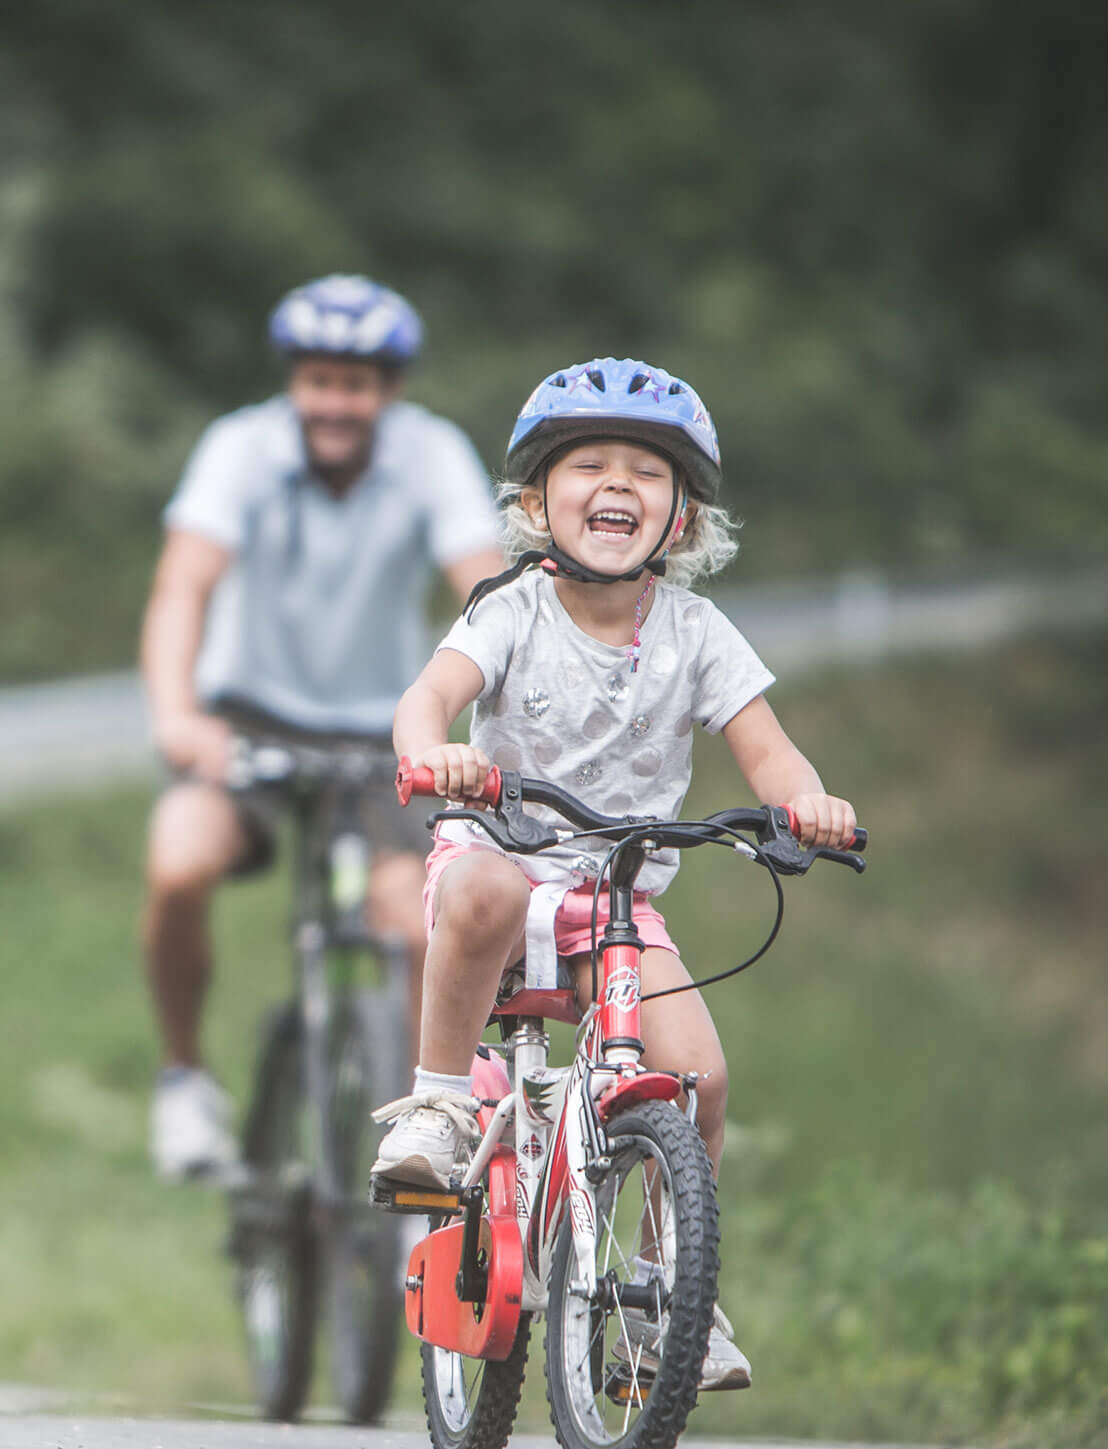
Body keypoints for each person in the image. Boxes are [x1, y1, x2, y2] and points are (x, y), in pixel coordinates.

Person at [376, 356, 860, 1390]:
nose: (618, 485)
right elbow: (430, 695)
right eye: (589, 465)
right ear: (536, 505)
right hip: (499, 854)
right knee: (487, 889)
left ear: (682, 519)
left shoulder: (698, 633)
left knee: (698, 1081)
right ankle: (439, 1103)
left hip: (615, 899)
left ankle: (661, 1297)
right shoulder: (511, 609)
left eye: (645, 472)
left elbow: (770, 753)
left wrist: (808, 802)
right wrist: (433, 751)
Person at [142, 274, 509, 1181]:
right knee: (179, 861)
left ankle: (431, 1120)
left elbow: (487, 589)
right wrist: (177, 714)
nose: (334, 403)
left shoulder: (431, 453)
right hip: (247, 714)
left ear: (391, 390)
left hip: (387, 728)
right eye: (318, 381)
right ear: (292, 382)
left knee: (416, 925)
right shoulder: (239, 447)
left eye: (355, 384)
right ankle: (184, 1078)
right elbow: (182, 586)